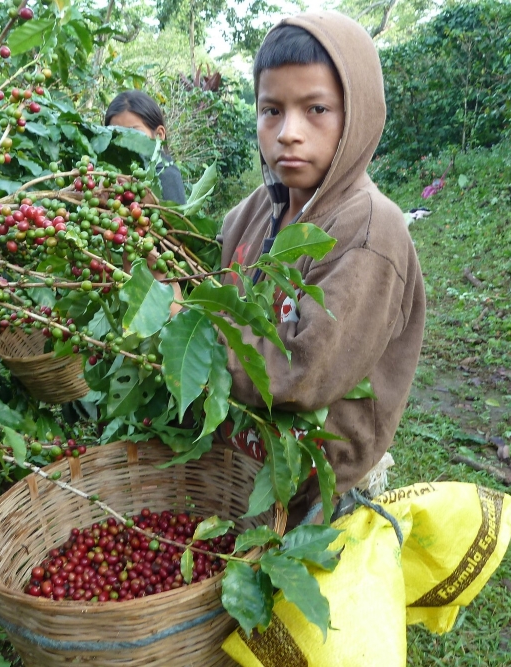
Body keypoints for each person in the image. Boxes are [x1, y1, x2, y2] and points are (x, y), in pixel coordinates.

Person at [217, 13, 426, 528]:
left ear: (356, 114)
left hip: (317, 488)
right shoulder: (249, 215)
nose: (289, 133)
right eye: (272, 111)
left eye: (316, 109)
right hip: (244, 466)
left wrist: (192, 330)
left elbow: (301, 375)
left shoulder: (370, 230)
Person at [104, 90, 187, 205]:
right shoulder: (111, 174)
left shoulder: (167, 175)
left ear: (159, 135)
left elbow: (177, 221)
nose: (124, 143)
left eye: (133, 133)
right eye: (116, 135)